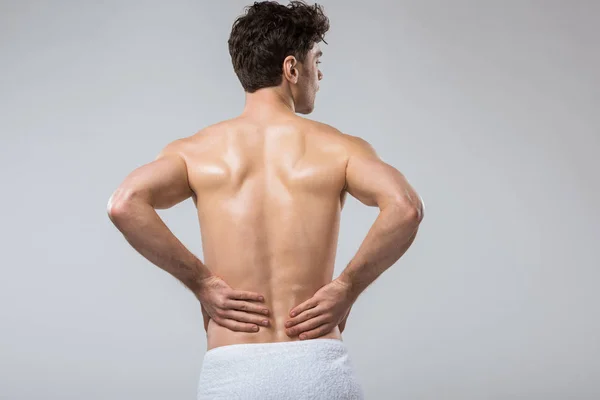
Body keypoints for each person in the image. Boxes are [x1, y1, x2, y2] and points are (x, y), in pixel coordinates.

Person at [107, 1, 424, 398]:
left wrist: (202, 282)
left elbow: (125, 203)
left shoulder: (196, 152)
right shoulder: (339, 148)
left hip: (233, 369)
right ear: (292, 69)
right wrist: (346, 287)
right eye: (316, 60)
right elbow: (406, 207)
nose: (319, 74)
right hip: (316, 364)